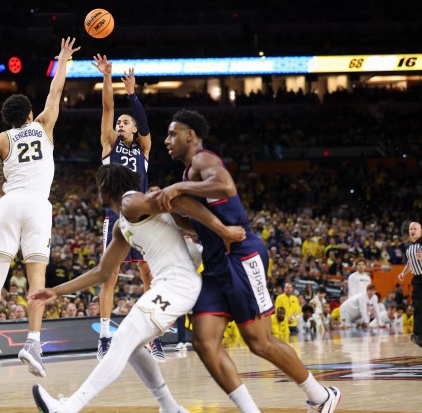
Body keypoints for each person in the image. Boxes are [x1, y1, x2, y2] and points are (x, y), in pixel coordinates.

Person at [157, 109, 340, 413]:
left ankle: (321, 396)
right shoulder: (189, 172)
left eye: (172, 133)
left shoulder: (203, 160)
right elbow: (199, 226)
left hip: (242, 254)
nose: (167, 140)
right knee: (203, 341)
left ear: (190, 135)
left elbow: (226, 186)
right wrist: (171, 214)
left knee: (259, 341)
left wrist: (179, 188)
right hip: (216, 264)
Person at [28, 163, 245, 413]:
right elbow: (103, 272)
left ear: (105, 186)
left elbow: (179, 203)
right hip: (169, 284)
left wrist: (220, 229)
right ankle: (170, 408)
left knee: (122, 340)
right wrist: (56, 291)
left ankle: (69, 408)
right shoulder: (122, 224)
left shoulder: (130, 201)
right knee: (132, 347)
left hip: (178, 283)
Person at [0, 37, 81, 376]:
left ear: (8, 119)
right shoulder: (44, 125)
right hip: (38, 203)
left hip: (9, 201)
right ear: (31, 114)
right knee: (37, 276)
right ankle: (33, 344)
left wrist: (8, 197)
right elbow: (56, 90)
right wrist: (63, 59)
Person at [91, 55, 162, 361]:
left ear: (134, 130)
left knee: (149, 275)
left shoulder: (144, 149)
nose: (120, 123)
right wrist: (107, 78)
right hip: (116, 216)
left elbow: (145, 125)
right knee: (111, 275)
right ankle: (105, 338)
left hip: (143, 218)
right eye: (119, 122)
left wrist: (133, 94)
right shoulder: (109, 144)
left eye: (126, 121)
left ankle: (152, 337)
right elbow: (107, 108)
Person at [397, 221, 422, 347]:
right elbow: (410, 262)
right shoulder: (408, 247)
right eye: (410, 229)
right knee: (417, 306)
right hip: (417, 280)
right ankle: (418, 335)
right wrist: (403, 272)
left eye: (415, 228)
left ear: (420, 231)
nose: (412, 230)